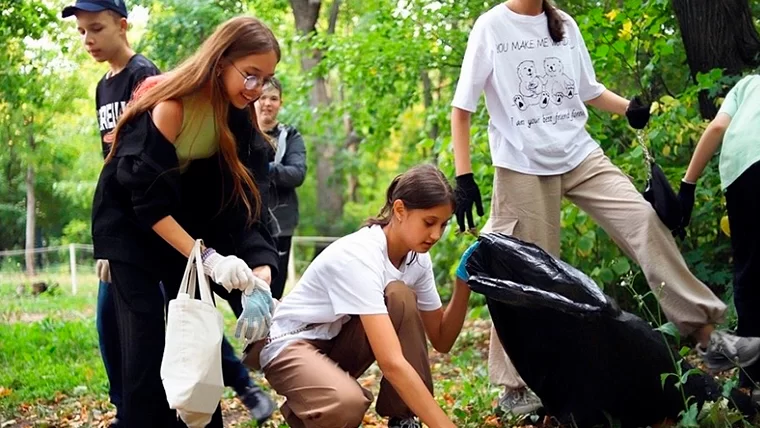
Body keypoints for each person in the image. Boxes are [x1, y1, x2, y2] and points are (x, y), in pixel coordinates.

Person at [450, 0, 760, 416]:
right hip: (521, 164)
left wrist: (627, 107)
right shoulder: (491, 27)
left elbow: (587, 89)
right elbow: (461, 109)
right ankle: (514, 386)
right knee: (521, 268)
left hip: (579, 154)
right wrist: (464, 177)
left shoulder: (565, 25)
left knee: (645, 221)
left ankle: (708, 338)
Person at [91, 16, 281, 427]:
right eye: (250, 75)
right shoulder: (171, 105)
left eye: (265, 80)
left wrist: (259, 272)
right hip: (134, 228)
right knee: (144, 349)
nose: (256, 90)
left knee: (198, 351)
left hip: (186, 229)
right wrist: (209, 259)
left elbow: (247, 202)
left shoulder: (237, 118)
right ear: (219, 61)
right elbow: (148, 203)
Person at [244, 164, 470, 428]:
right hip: (290, 344)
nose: (436, 235)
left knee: (399, 295)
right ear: (399, 210)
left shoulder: (417, 260)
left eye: (443, 225)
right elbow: (392, 362)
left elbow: (442, 340)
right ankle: (312, 408)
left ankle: (403, 418)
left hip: (336, 339)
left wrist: (463, 281)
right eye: (429, 223)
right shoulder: (361, 256)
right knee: (347, 403)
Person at [61, 1, 160, 425]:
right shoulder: (103, 87)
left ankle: (146, 413)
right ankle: (127, 409)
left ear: (123, 25)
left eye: (96, 29)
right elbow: (110, 158)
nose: (88, 40)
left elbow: (149, 158)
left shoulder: (144, 75)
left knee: (145, 334)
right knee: (110, 327)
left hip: (146, 228)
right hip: (116, 228)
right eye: (82, 31)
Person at [679, 73, 760, 403]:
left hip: (745, 172)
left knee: (751, 269)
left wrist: (688, 186)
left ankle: (753, 375)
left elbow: (715, 128)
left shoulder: (747, 85)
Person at [254, 77, 307, 299]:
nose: (267, 103)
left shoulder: (290, 136)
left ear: (280, 103)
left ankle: (268, 333)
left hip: (280, 226)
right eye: (262, 97)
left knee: (272, 291)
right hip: (245, 223)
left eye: (273, 98)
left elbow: (297, 173)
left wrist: (263, 169)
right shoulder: (239, 132)